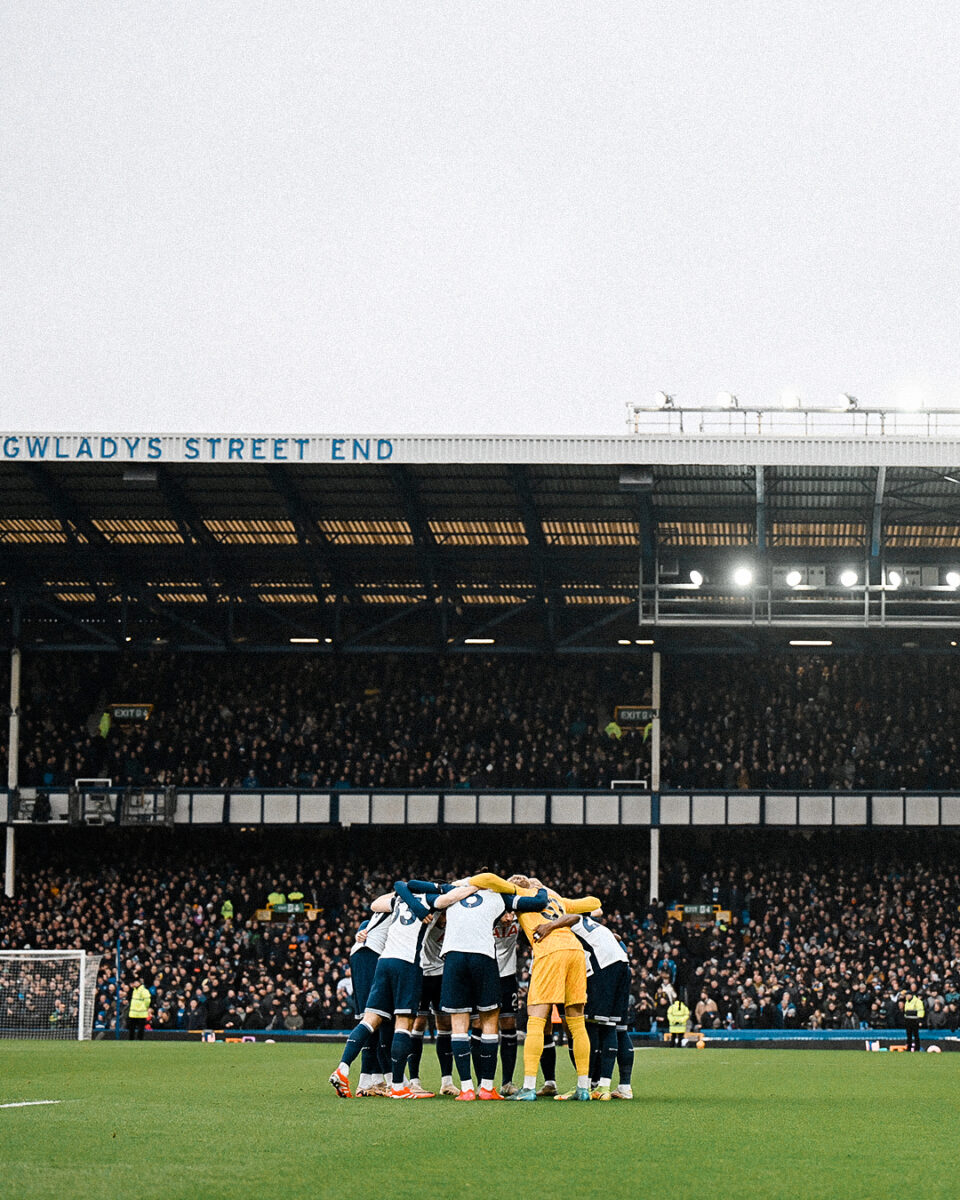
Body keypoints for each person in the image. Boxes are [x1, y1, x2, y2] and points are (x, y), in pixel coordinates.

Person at [329, 878, 477, 1099]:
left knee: (370, 1020)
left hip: (384, 962)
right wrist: (478, 885)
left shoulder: (398, 899)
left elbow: (395, 889)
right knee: (403, 1023)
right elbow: (452, 896)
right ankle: (398, 1086)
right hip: (407, 964)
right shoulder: (431, 900)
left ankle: (342, 1068)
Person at [468, 871, 601, 1101]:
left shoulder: (521, 895)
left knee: (537, 1022)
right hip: (575, 952)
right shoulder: (555, 900)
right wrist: (553, 893)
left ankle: (529, 1087)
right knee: (577, 1024)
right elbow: (594, 903)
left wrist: (463, 884)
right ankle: (583, 1088)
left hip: (549, 953)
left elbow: (486, 878)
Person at [440, 879, 550, 1101]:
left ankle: (505, 1082)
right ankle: (481, 1083)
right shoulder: (493, 903)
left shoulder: (516, 912)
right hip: (485, 964)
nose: (508, 917)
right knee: (478, 1024)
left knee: (507, 1025)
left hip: (505, 973)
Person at [904, 981, 925, 1051]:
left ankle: (917, 1048)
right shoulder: (907, 1001)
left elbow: (920, 1010)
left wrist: (920, 1020)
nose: (906, 996)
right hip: (908, 1020)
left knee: (916, 1035)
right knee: (909, 1035)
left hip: (915, 1020)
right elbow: (906, 1011)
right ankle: (909, 1047)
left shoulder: (917, 1001)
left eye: (907, 995)